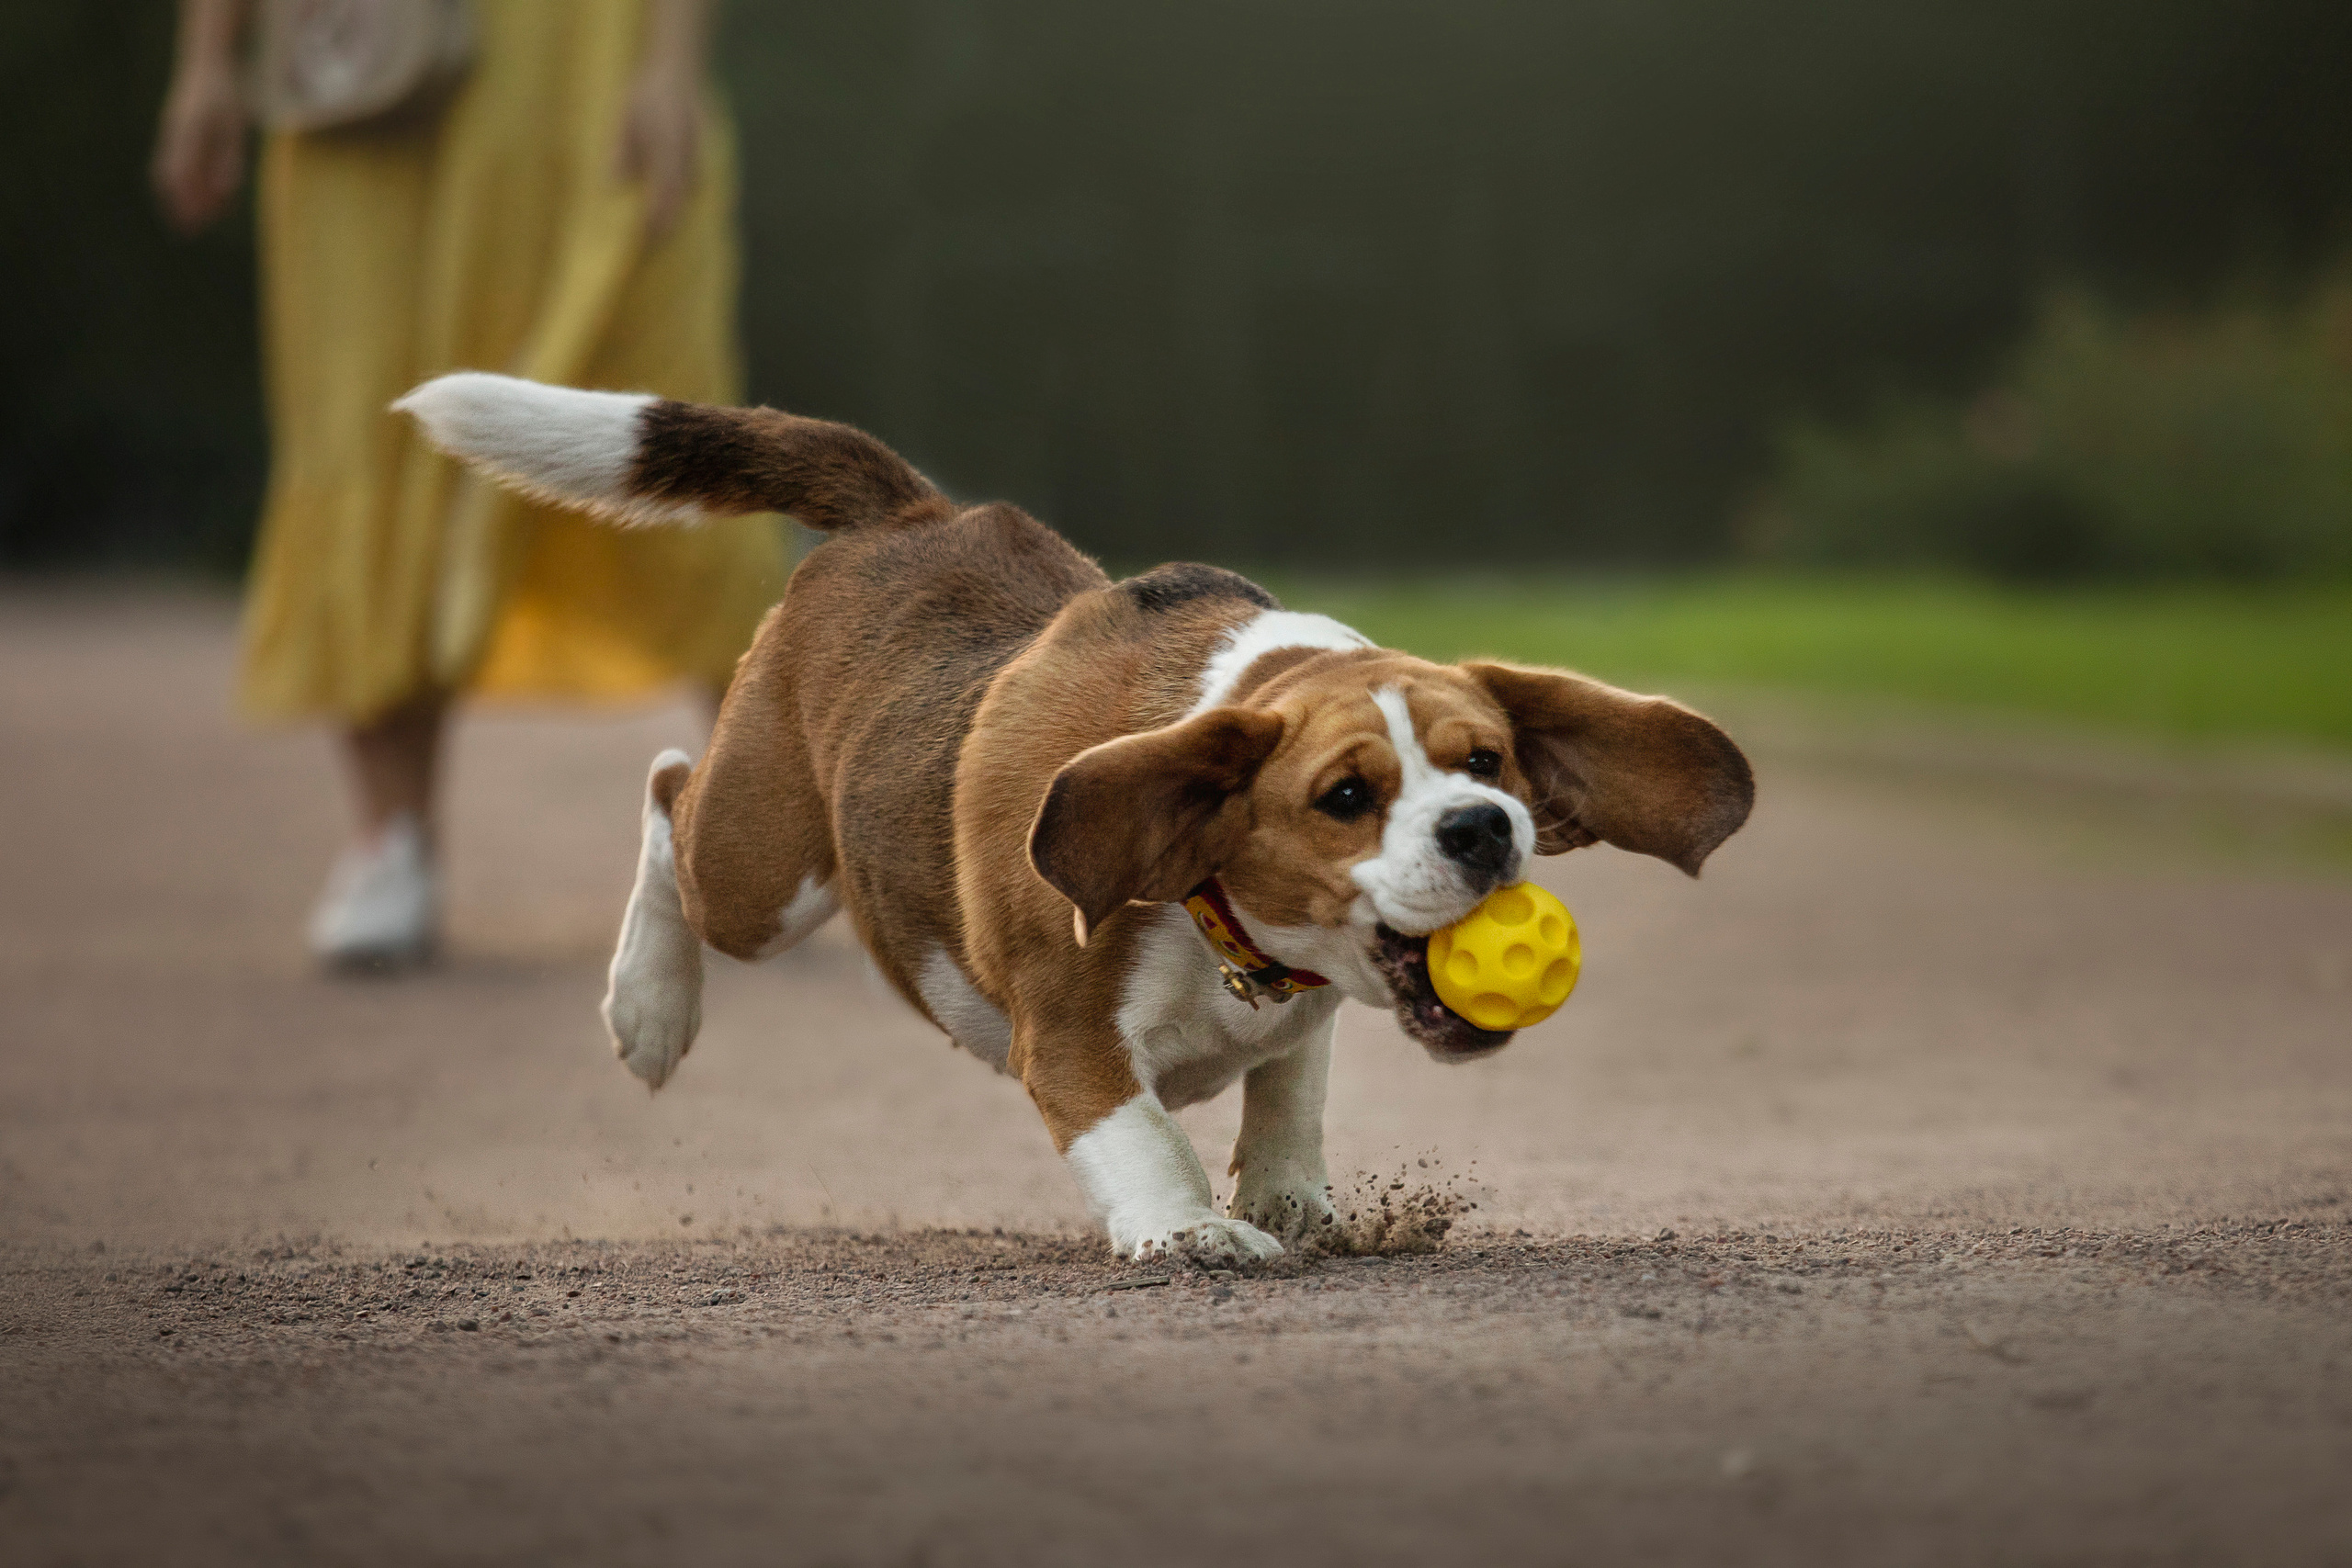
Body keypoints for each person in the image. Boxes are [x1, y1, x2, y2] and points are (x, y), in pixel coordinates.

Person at [153, 0, 789, 969]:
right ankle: (390, 840)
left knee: (659, 403)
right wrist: (205, 58)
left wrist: (669, 61)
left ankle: (779, 816)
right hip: (361, 61)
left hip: (583, 56)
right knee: (370, 408)